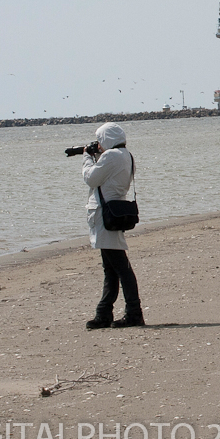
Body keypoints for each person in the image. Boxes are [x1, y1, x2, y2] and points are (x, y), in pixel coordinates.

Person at [82, 122, 143, 329]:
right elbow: (108, 177)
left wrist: (87, 157)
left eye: (100, 140)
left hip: (105, 214)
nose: (98, 144)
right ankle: (105, 313)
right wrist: (97, 155)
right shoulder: (126, 155)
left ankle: (133, 313)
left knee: (120, 267)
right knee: (112, 267)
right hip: (114, 212)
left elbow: (91, 178)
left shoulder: (110, 156)